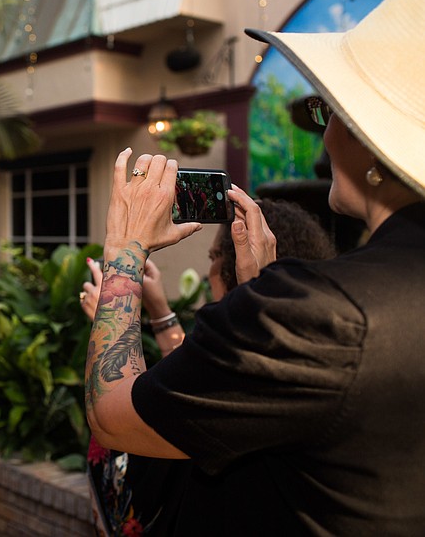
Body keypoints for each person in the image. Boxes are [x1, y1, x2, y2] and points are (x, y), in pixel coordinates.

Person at [85, 0, 425, 534]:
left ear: (370, 141)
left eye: (330, 111)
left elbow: (114, 416)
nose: (324, 134)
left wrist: (124, 250)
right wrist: (261, 287)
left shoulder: (324, 313)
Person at [80, 200, 336, 535]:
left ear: (231, 267)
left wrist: (119, 290)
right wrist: (161, 312)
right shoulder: (311, 351)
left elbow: (115, 427)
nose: (210, 269)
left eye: (214, 257)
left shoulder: (233, 375)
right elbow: (198, 365)